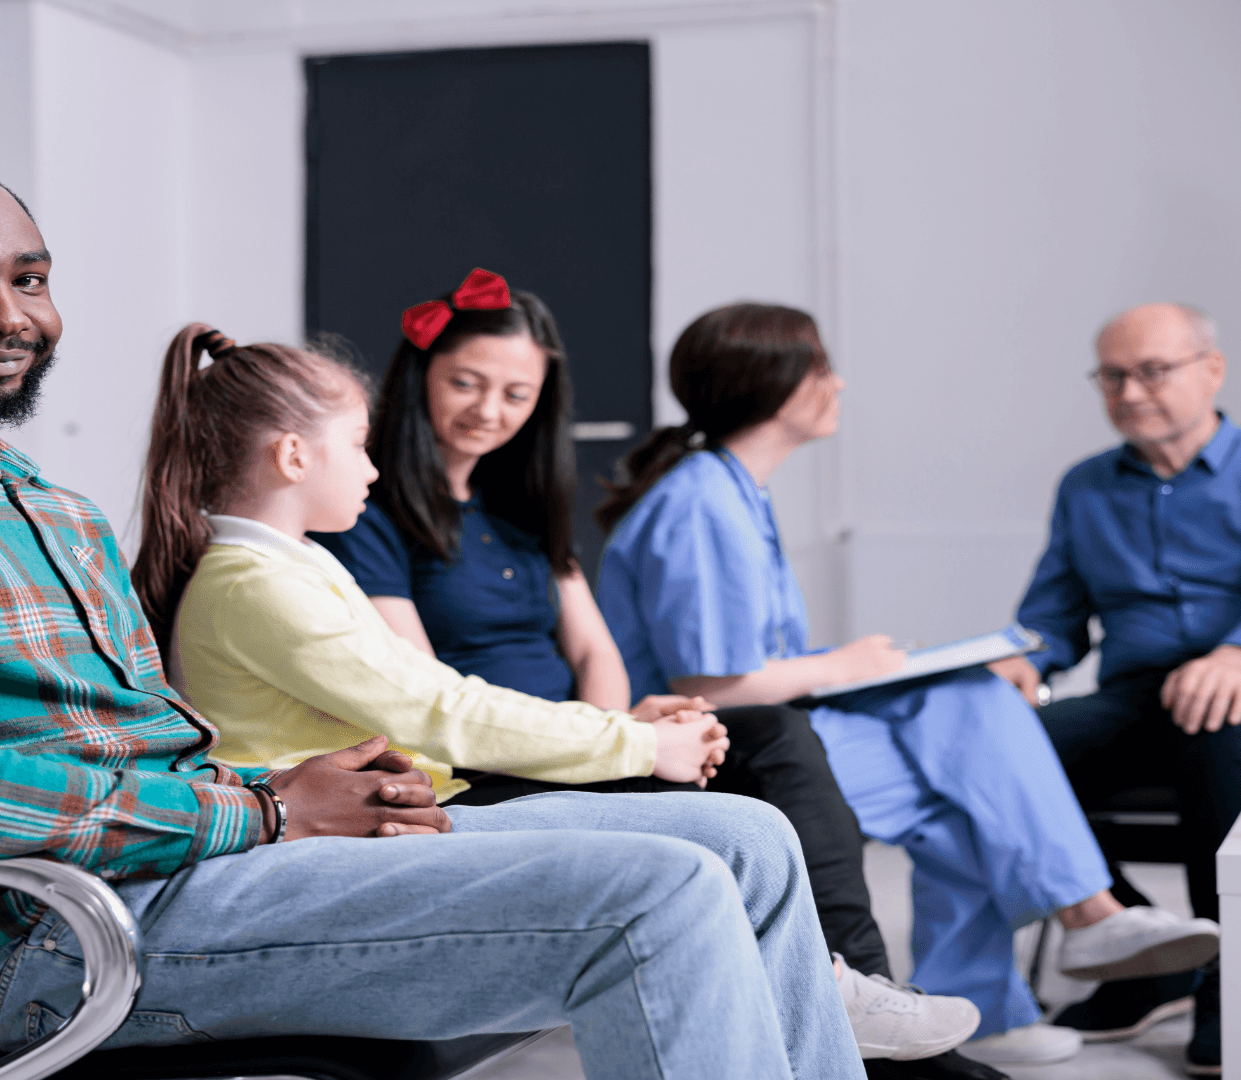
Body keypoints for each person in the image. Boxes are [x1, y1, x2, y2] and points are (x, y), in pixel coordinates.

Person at [0, 153, 866, 1080]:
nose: (11, 314)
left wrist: (315, 791)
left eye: (33, 278)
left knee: (747, 839)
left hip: (201, 877)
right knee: (655, 895)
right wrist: (263, 811)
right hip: (72, 941)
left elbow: (148, 741)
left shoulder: (44, 502)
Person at [314, 269, 993, 1078]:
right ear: (420, 373)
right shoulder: (372, 511)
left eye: (516, 393)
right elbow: (429, 693)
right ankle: (863, 1010)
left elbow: (595, 650)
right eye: (466, 382)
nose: (489, 410)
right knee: (736, 778)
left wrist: (617, 730)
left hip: (573, 740)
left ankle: (859, 986)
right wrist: (609, 742)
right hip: (484, 762)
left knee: (772, 731)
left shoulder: (522, 506)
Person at [594, 302, 1224, 1069]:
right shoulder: (700, 503)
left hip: (761, 729)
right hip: (713, 749)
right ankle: (1083, 921)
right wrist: (849, 665)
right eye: (823, 368)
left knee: (966, 744)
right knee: (966, 751)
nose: (840, 383)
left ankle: (1008, 991)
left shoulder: (732, 490)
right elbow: (713, 682)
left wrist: (862, 664)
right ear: (774, 384)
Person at [989, 302, 1241, 1077]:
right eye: (1112, 375)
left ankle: (1234, 982)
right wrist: (1024, 661)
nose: (1129, 391)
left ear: (1210, 370)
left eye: (1152, 370)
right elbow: (1053, 615)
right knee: (998, 748)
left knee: (1216, 721)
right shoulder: (1086, 486)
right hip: (1142, 696)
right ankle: (1148, 953)